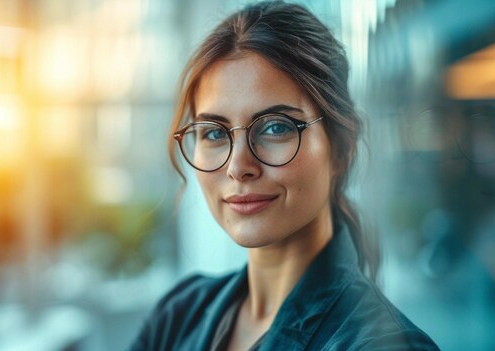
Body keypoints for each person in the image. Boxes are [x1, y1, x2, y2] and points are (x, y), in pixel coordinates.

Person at [130, 1, 439, 350]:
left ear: (341, 148)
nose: (238, 166)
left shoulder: (381, 344)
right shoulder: (179, 315)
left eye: (276, 127)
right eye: (214, 133)